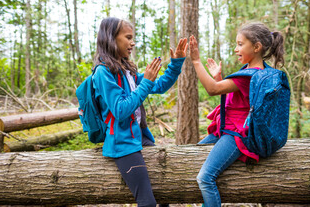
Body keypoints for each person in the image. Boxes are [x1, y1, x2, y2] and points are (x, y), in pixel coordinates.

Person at [92, 17, 187, 207]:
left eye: (132, 37)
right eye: (128, 37)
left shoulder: (126, 70)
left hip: (139, 137)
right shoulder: (103, 73)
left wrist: (176, 64)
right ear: (111, 38)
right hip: (122, 143)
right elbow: (120, 110)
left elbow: (159, 85)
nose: (132, 42)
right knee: (147, 203)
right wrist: (145, 84)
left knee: (164, 195)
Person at [189, 22, 285, 207]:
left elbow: (212, 90)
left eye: (240, 44)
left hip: (236, 134)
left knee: (205, 178)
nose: (235, 49)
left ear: (256, 47)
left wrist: (196, 61)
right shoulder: (258, 72)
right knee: (195, 155)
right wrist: (218, 77)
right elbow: (235, 98)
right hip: (226, 128)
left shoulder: (249, 75)